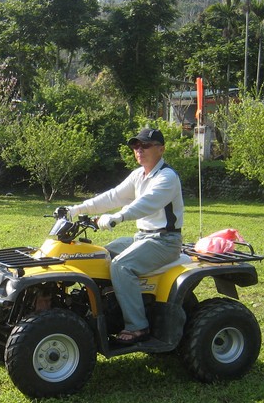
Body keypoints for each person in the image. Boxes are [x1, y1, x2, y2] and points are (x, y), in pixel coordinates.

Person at [67, 127, 184, 345]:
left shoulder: (167, 177)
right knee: (101, 255)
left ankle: (138, 327)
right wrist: (77, 209)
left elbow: (146, 203)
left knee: (121, 266)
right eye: (136, 146)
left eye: (145, 145)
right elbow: (113, 196)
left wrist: (117, 218)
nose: (139, 150)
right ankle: (109, 305)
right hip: (142, 238)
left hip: (165, 242)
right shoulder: (138, 175)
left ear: (161, 149)